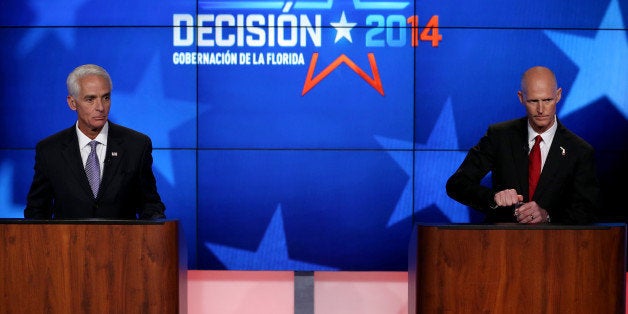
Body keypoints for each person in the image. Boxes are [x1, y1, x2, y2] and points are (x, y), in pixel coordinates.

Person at [446, 66, 598, 224]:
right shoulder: (499, 136)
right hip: (502, 242)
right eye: (533, 101)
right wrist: (493, 198)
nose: (541, 109)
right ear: (521, 98)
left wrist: (547, 216)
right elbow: (457, 184)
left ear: (558, 95)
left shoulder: (579, 151)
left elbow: (588, 210)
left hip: (554, 245)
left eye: (547, 100)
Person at [24, 64, 166, 219]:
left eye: (106, 98)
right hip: (67, 242)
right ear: (72, 103)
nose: (100, 107)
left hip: (122, 242)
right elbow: (36, 211)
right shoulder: (50, 150)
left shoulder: (137, 146)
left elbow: (151, 206)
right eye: (90, 99)